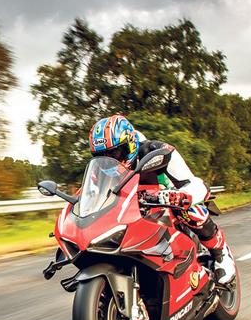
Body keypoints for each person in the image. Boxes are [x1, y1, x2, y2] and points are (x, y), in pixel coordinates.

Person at [88, 114, 236, 284]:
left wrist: (178, 196)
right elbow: (92, 197)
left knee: (189, 210)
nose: (111, 159)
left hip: (168, 202)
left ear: (130, 143)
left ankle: (221, 253)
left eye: (115, 152)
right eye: (103, 155)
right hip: (134, 211)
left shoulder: (155, 150)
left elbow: (196, 184)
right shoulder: (100, 170)